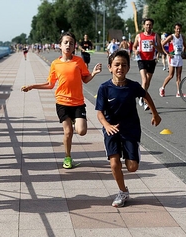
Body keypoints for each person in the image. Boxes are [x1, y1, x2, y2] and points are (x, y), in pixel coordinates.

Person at [21, 32, 102, 169]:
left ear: (74, 46)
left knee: (81, 131)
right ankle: (67, 157)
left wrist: (93, 73)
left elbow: (85, 80)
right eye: (65, 42)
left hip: (78, 103)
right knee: (68, 132)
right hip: (62, 102)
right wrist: (32, 86)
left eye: (71, 43)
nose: (68, 45)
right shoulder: (55, 64)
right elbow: (50, 84)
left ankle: (75, 121)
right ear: (60, 46)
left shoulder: (79, 61)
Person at [95, 50, 161, 207]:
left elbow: (146, 95)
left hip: (130, 129)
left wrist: (155, 113)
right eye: (116, 65)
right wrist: (106, 125)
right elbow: (99, 113)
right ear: (110, 67)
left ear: (128, 68)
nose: (120, 68)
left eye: (124, 65)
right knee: (114, 163)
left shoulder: (133, 86)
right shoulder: (104, 88)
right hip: (111, 129)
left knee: (132, 167)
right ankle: (123, 191)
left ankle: (132, 151)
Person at [133, 18, 163, 111]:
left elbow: (161, 50)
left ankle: (141, 96)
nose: (148, 26)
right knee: (144, 80)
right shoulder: (139, 36)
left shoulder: (155, 36)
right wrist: (135, 51)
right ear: (144, 26)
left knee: (148, 82)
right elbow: (134, 46)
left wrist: (154, 45)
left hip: (151, 60)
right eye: (147, 24)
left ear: (152, 26)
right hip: (142, 60)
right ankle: (145, 101)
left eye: (150, 25)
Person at [159, 23, 185, 97]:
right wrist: (167, 54)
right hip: (173, 58)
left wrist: (183, 52)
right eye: (177, 29)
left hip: (179, 57)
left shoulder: (182, 37)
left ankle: (178, 92)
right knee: (171, 75)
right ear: (174, 29)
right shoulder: (171, 37)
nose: (178, 30)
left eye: (179, 29)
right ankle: (162, 88)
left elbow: (184, 45)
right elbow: (162, 44)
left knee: (179, 76)